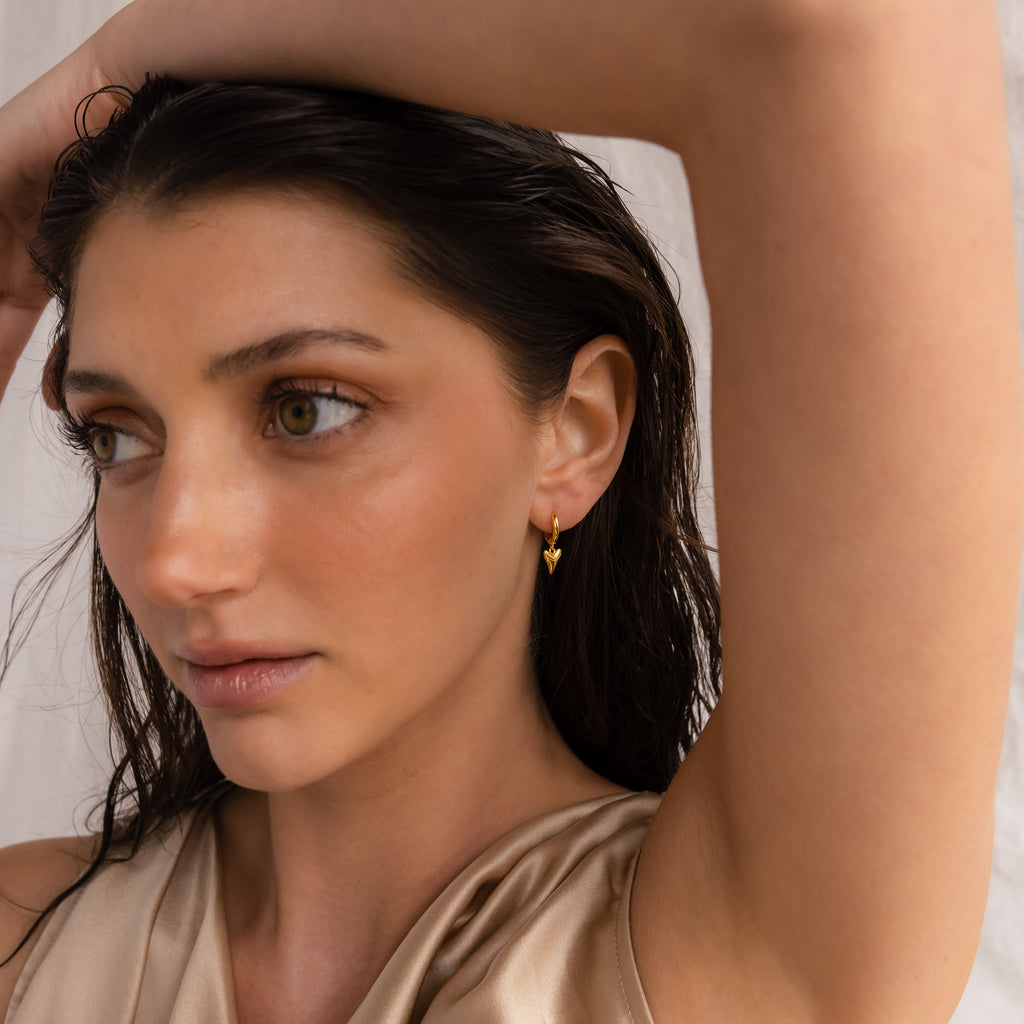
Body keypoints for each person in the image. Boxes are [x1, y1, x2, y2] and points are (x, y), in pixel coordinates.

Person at [0, 2, 1021, 1023]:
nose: (177, 560)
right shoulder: (23, 939)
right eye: (118, 433)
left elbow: (857, 28)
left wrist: (125, 53)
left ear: (574, 432)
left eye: (305, 409)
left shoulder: (745, 949)